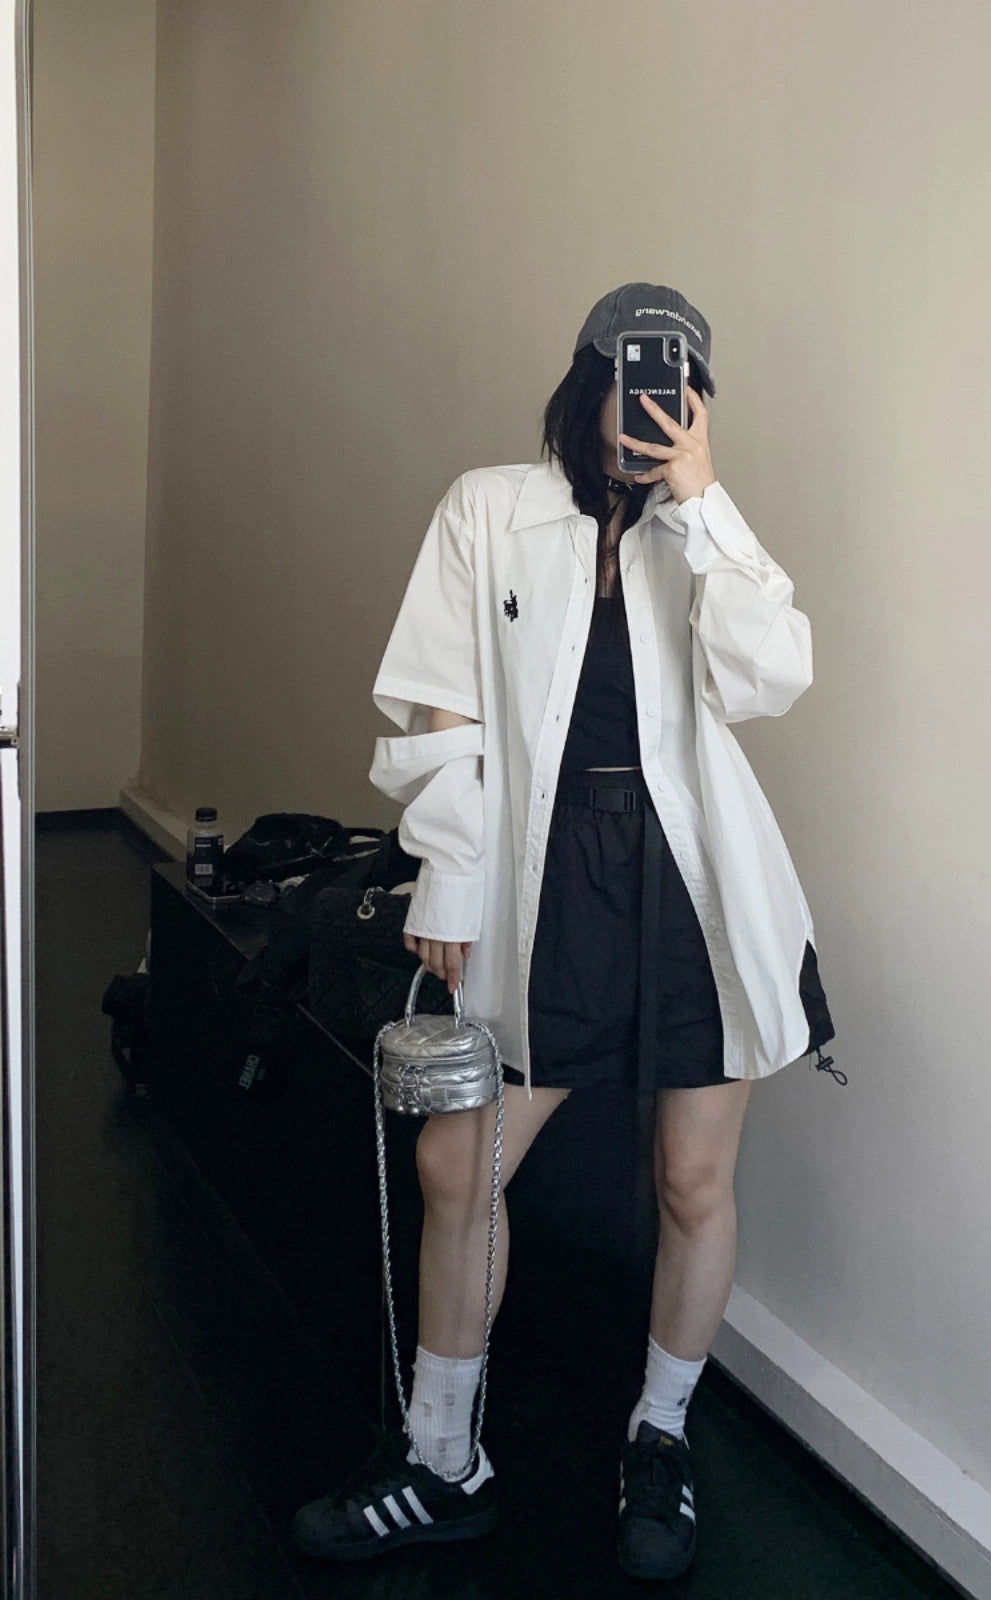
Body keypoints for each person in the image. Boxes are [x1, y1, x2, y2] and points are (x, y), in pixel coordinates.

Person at [293, 283, 836, 1582]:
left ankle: (661, 1438)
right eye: (631, 376)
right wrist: (449, 881)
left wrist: (703, 502)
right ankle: (442, 1460)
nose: (648, 404)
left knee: (692, 1179)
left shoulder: (701, 535)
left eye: (677, 384)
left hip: (691, 884)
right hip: (545, 874)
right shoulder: (489, 509)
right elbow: (442, 704)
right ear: (586, 380)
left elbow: (772, 677)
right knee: (459, 1164)